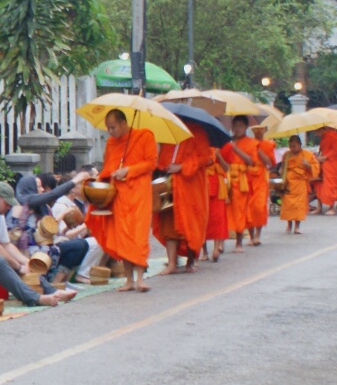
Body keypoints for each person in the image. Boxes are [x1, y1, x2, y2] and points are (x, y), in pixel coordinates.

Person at [85, 109, 157, 293]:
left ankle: (140, 279)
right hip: (118, 194)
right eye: (108, 128)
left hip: (139, 193)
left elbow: (151, 163)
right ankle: (129, 280)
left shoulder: (144, 136)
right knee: (122, 236)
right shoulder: (111, 143)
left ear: (124, 123)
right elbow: (108, 165)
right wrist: (105, 177)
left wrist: (128, 170)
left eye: (113, 127)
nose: (110, 131)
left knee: (138, 235)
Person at [153, 122, 212, 274]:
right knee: (169, 222)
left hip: (190, 185)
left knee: (189, 222)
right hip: (170, 184)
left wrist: (181, 167)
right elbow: (162, 157)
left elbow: (205, 157)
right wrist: (165, 165)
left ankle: (190, 261)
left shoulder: (197, 131)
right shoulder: (169, 130)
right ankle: (172, 263)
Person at [219, 116, 271, 250]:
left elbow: (251, 161)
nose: (237, 129)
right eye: (235, 126)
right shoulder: (227, 142)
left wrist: (236, 150)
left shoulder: (251, 143)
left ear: (246, 127)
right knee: (223, 212)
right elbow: (222, 160)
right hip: (227, 178)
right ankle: (220, 243)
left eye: (240, 126)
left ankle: (239, 242)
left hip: (242, 181)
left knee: (240, 211)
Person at [279, 135, 319, 234]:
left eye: (295, 146)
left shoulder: (307, 155)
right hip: (288, 183)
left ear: (300, 145)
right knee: (288, 205)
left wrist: (308, 165)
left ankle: (297, 226)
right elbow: (282, 168)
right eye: (291, 146)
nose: (292, 148)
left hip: (300, 183)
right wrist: (281, 174)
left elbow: (316, 167)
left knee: (299, 206)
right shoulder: (286, 155)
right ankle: (289, 225)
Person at [205, 149, 231, 262]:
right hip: (203, 184)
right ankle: (204, 252)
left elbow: (226, 168)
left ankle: (216, 249)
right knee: (203, 219)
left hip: (218, 187)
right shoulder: (201, 147)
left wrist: (219, 157)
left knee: (218, 218)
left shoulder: (220, 149)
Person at [315, 126, 337, 214]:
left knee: (331, 184)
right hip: (324, 163)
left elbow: (336, 151)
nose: (316, 133)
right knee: (318, 184)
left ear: (323, 129)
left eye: (317, 131)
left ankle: (331, 207)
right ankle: (319, 207)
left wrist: (325, 157)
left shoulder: (333, 136)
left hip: (332, 163)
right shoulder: (323, 137)